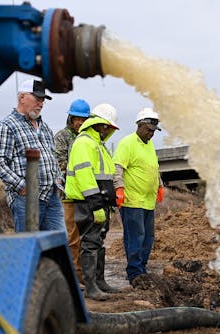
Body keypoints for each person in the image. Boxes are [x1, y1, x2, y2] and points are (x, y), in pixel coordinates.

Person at [0, 79, 65, 232]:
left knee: (59, 247)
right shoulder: (6, 126)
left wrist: (58, 180)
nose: (41, 103)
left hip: (51, 197)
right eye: (37, 99)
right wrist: (22, 186)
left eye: (43, 100)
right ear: (22, 97)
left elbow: (52, 157)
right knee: (30, 247)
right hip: (26, 200)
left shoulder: (44, 127)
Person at [65, 103, 119, 300]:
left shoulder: (99, 145)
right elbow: (84, 175)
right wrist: (96, 204)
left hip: (100, 201)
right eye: (107, 127)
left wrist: (110, 201)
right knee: (89, 242)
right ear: (100, 124)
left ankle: (99, 281)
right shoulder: (84, 142)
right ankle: (90, 287)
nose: (108, 131)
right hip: (88, 202)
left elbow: (106, 175)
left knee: (99, 240)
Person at [113, 107, 164, 288]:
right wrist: (119, 188)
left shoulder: (149, 146)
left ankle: (142, 269)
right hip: (132, 200)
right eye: (148, 130)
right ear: (140, 125)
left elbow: (154, 168)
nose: (151, 134)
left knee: (148, 238)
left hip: (148, 202)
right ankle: (134, 273)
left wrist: (159, 186)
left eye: (153, 131)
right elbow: (117, 167)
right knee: (135, 237)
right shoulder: (127, 143)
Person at [54, 99, 91, 283]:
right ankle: (74, 278)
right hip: (69, 196)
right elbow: (59, 163)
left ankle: (85, 276)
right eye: (77, 119)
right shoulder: (62, 136)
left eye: (83, 119)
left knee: (87, 239)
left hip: (87, 195)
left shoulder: (89, 138)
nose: (80, 123)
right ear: (71, 118)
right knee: (72, 238)